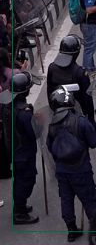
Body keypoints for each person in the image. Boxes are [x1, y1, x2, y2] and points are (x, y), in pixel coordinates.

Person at [46, 86, 96, 241]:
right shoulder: (80, 121)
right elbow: (94, 142)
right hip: (81, 168)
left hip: (62, 170)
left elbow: (50, 147)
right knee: (89, 199)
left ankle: (71, 230)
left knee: (66, 199)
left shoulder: (52, 126)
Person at [2, 73, 39, 224]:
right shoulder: (24, 113)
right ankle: (19, 212)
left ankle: (21, 206)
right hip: (24, 152)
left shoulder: (7, 105)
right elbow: (33, 133)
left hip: (14, 148)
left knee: (19, 179)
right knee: (26, 181)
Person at [47, 35, 95, 121]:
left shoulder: (51, 67)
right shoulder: (80, 73)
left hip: (57, 112)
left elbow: (49, 91)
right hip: (76, 115)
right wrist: (90, 119)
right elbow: (87, 99)